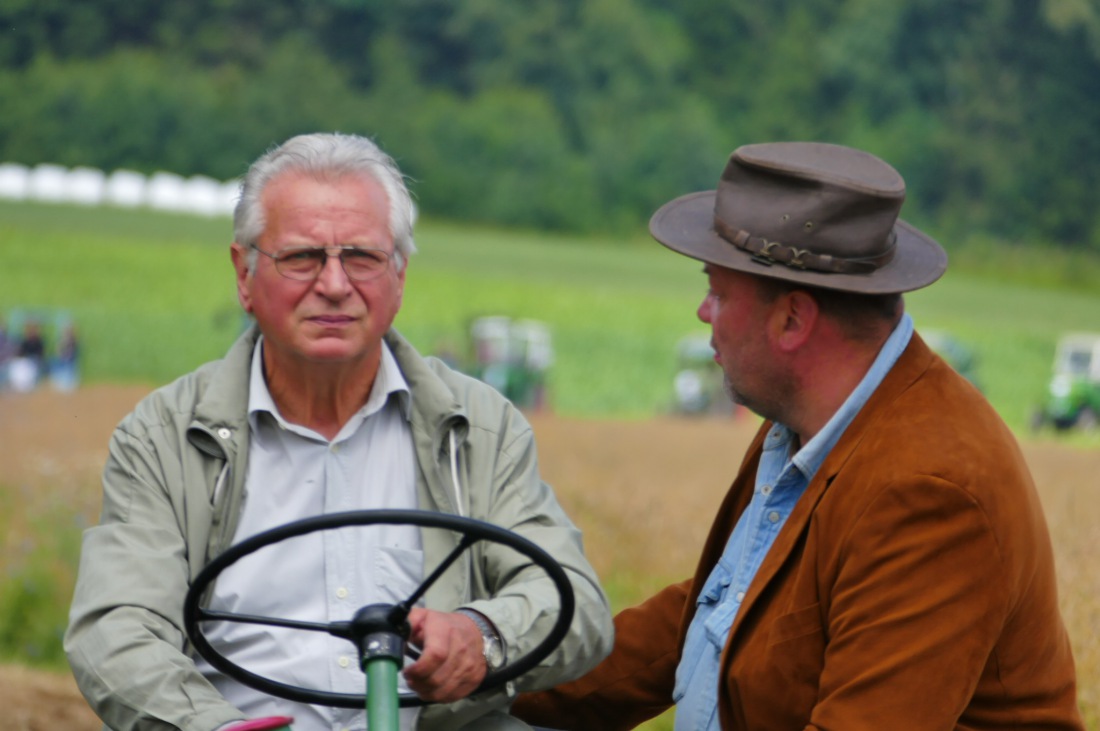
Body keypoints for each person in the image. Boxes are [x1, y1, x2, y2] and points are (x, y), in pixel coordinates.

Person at [512, 142, 1084, 730]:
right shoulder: (805, 421)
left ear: (792, 320)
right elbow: (718, 613)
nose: (704, 312)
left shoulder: (931, 490)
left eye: (717, 290)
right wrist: (490, 673)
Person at [65, 132, 613, 731]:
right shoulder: (164, 437)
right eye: (302, 257)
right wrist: (210, 727)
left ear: (399, 276)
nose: (333, 284)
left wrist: (482, 638)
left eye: (362, 257)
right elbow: (117, 629)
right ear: (244, 275)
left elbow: (576, 604)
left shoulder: (478, 428)